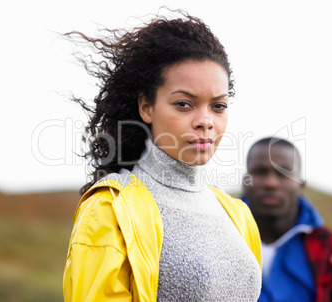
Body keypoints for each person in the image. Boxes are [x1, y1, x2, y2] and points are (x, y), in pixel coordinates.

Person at [62, 10, 262, 301]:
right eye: (184, 103)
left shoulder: (238, 215)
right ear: (146, 107)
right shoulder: (110, 208)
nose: (205, 120)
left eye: (218, 106)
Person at [241, 137, 332, 302]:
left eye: (283, 173)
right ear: (245, 181)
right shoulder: (213, 243)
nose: (271, 183)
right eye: (260, 171)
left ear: (300, 184)